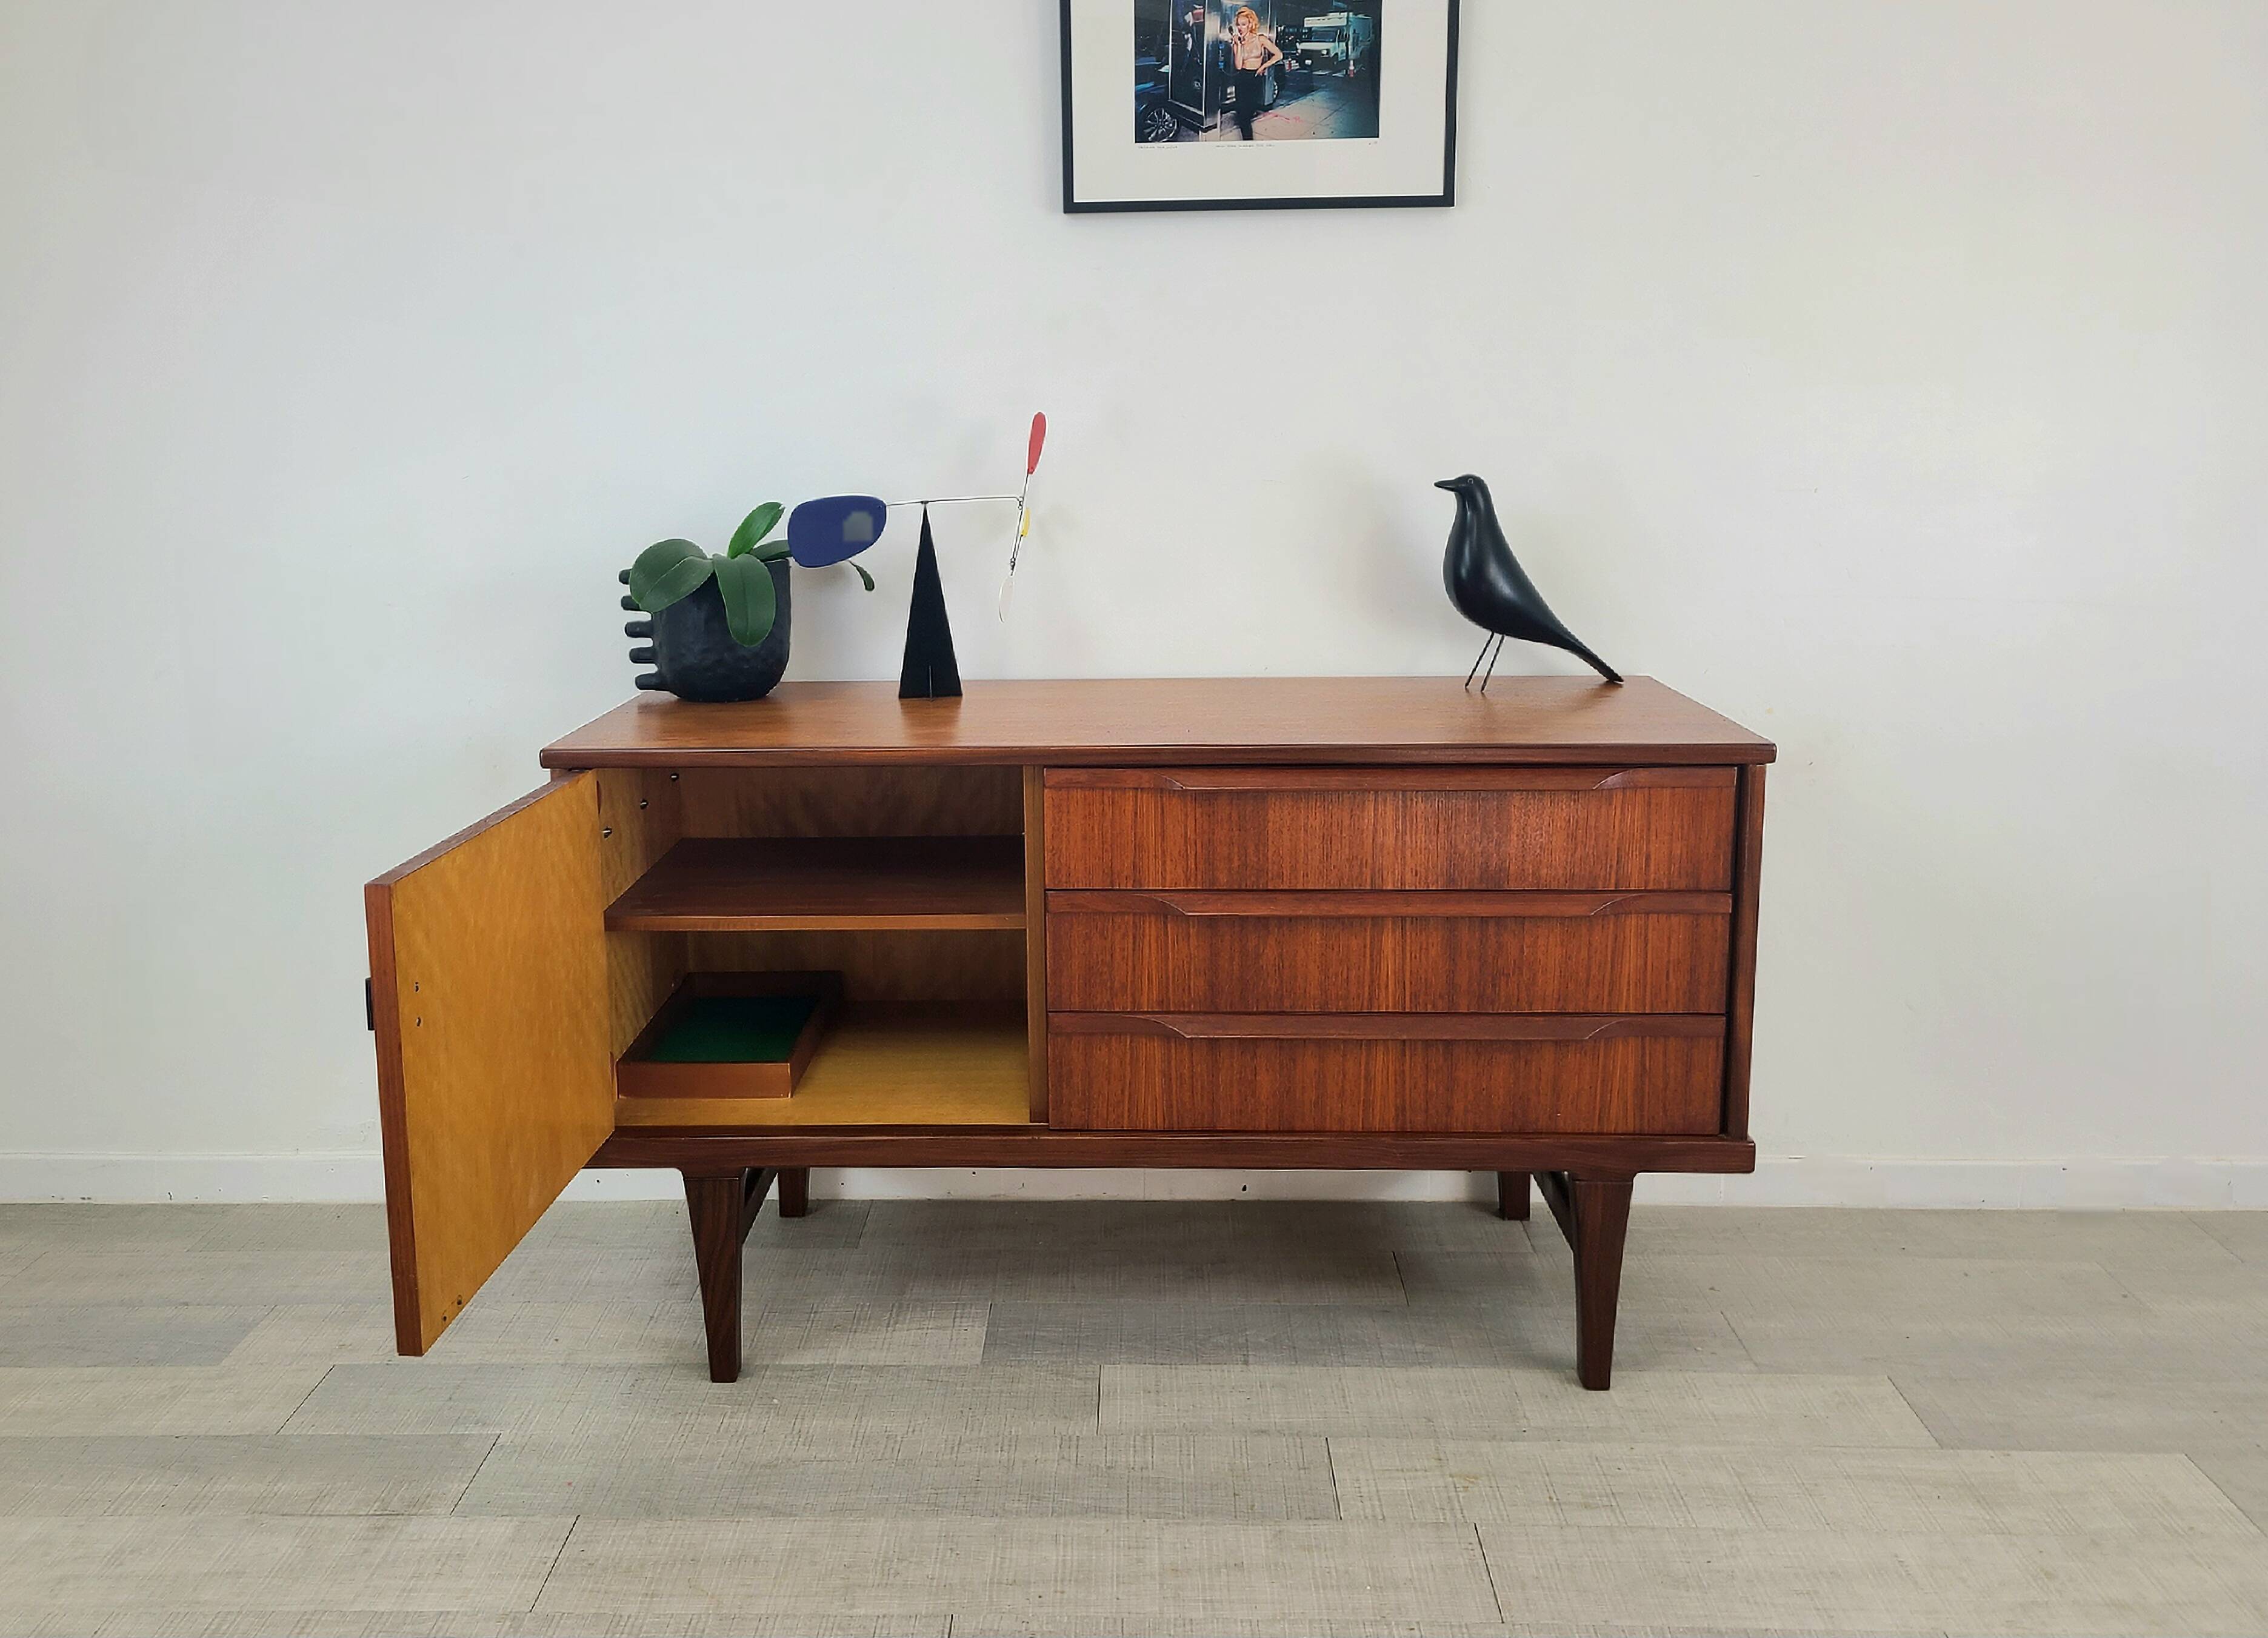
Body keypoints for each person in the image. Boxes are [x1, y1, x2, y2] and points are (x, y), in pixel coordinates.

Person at [1226, 7, 1283, 139]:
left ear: (1250, 24)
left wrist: (1264, 66)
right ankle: (1248, 142)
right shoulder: (1237, 43)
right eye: (1238, 25)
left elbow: (1279, 55)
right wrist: (1239, 45)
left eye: (1243, 24)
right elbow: (1238, 66)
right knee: (1243, 116)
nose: (1240, 28)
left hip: (1255, 78)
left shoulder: (1261, 39)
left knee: (1250, 109)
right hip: (1242, 78)